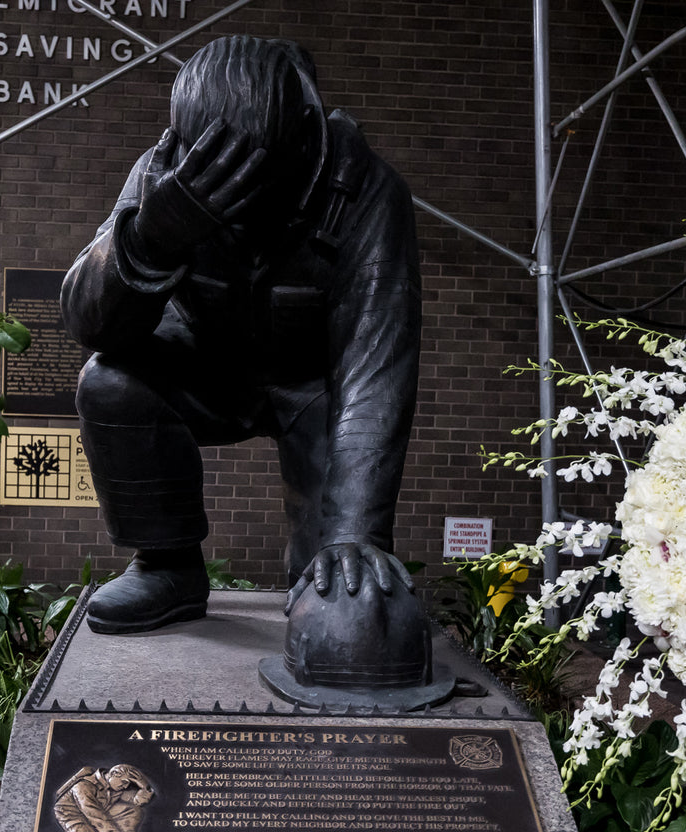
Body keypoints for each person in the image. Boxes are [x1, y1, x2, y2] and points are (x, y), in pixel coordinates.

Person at [62, 35, 421, 635]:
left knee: (336, 598)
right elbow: (87, 323)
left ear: (305, 135)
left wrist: (355, 532)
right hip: (206, 366)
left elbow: (376, 367)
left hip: (318, 391)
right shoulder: (164, 170)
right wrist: (151, 236)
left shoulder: (369, 192)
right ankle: (167, 566)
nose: (242, 204)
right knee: (110, 382)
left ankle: (324, 575)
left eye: (260, 179)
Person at [48, 763, 161, 832]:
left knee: (135, 810)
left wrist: (144, 787)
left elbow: (138, 802)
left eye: (128, 784)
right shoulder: (83, 786)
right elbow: (95, 815)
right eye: (124, 782)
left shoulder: (115, 787)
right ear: (114, 773)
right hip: (72, 816)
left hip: (96, 814)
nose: (126, 787)